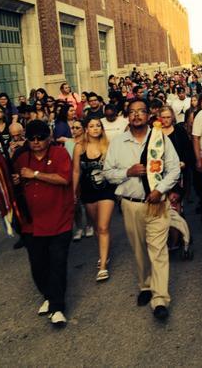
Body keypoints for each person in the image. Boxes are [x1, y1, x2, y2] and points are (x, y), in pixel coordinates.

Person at [103, 98, 180, 321]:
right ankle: (145, 285)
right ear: (127, 116)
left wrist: (161, 189)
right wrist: (127, 172)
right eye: (132, 112)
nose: (137, 115)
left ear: (149, 115)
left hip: (157, 204)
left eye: (141, 111)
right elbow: (107, 172)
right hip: (131, 204)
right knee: (139, 249)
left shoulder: (160, 140)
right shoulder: (118, 142)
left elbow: (174, 169)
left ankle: (160, 299)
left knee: (158, 250)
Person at [12, 120, 74, 327]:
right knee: (38, 265)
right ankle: (48, 295)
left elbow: (64, 179)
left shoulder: (60, 153)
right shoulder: (21, 158)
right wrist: (15, 181)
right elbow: (13, 185)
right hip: (32, 223)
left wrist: (35, 174)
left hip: (59, 220)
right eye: (32, 138)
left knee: (57, 263)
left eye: (40, 138)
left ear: (48, 137)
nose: (36, 142)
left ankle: (58, 307)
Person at [73, 117, 116, 282]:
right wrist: (73, 193)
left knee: (103, 226)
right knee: (97, 228)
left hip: (107, 190)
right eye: (91, 126)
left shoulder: (108, 145)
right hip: (88, 191)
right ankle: (104, 252)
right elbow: (76, 171)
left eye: (98, 125)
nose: (95, 128)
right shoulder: (79, 147)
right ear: (86, 129)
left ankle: (103, 265)